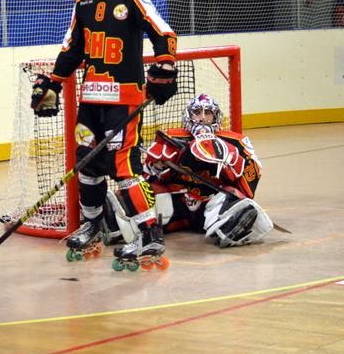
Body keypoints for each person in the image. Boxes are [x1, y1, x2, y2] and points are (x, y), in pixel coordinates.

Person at [30, 0, 179, 269]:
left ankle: (149, 233)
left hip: (124, 101)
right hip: (91, 101)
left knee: (125, 168)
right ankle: (92, 225)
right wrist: (52, 82)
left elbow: (164, 34)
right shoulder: (82, 3)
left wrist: (166, 64)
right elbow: (72, 50)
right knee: (87, 164)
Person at [106, 93, 273, 253]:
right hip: (179, 204)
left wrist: (233, 162)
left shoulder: (236, 141)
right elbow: (147, 176)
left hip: (211, 204)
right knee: (143, 193)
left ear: (216, 117)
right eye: (197, 112)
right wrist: (156, 167)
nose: (202, 117)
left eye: (208, 113)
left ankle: (231, 229)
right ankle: (119, 223)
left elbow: (251, 182)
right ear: (188, 116)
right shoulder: (170, 137)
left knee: (235, 200)